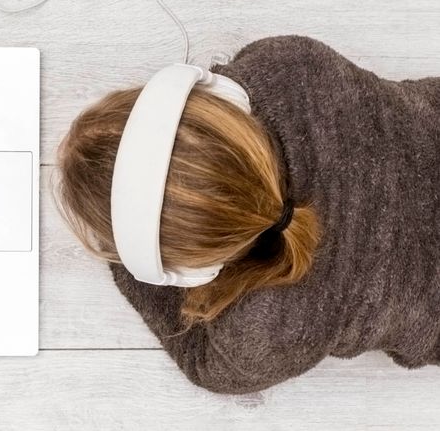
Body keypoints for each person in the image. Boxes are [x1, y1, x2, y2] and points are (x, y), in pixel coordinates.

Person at [55, 35, 440, 394]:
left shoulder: (268, 331)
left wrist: (124, 255)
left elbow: (202, 363)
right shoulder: (290, 66)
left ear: (186, 270)